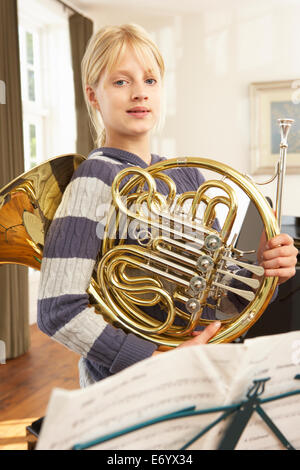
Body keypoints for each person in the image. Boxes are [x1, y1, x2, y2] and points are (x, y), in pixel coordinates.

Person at [37, 24, 297, 388]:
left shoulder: (188, 176)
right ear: (93, 95)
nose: (139, 93)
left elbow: (213, 292)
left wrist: (265, 275)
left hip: (198, 371)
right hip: (129, 389)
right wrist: (155, 361)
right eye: (121, 82)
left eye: (150, 80)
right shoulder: (94, 179)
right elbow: (57, 311)